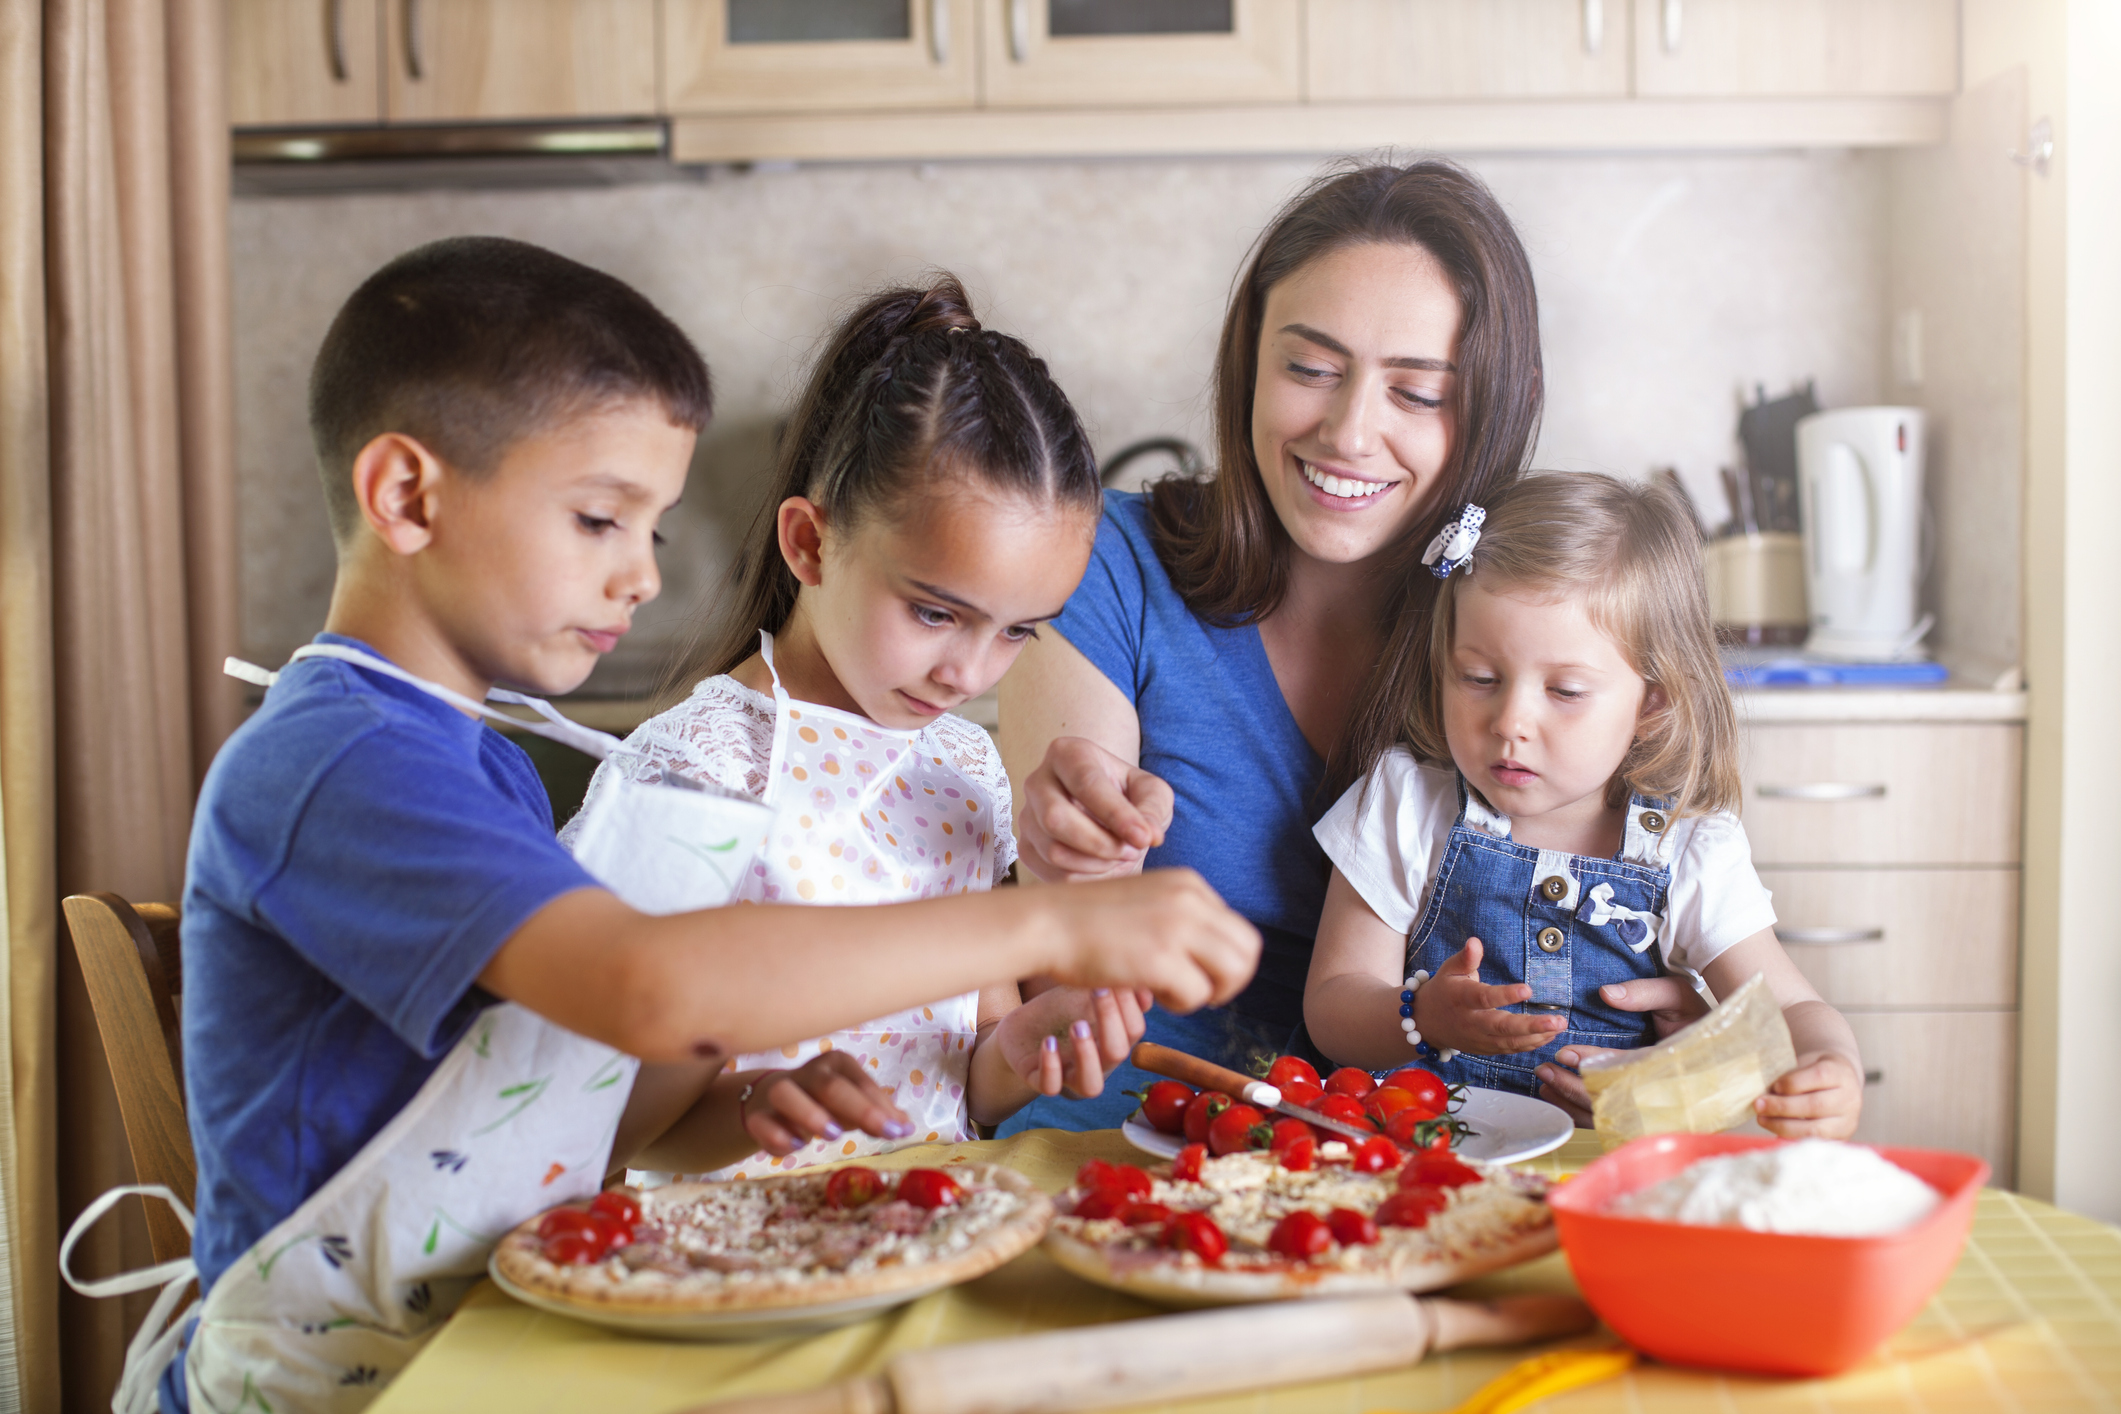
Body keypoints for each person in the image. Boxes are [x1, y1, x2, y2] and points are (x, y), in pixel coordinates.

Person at [71, 238, 1256, 1414]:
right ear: (405, 496)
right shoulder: (337, 762)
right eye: (599, 520)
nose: (643, 577)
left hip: (491, 1349)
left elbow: (566, 1111)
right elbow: (646, 989)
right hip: (340, 1385)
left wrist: (739, 1111)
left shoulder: (473, 762)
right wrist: (1049, 916)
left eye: (652, 528)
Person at [999, 157, 1665, 1133]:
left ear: (1495, 405)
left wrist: (1667, 1008)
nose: (1351, 432)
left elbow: (1640, 891)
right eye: (1309, 369)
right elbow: (1055, 979)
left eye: (1418, 392)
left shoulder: (1525, 636)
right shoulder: (1106, 561)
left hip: (1427, 1164)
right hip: (1124, 1147)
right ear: (1248, 364)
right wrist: (1063, 877)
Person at [563, 275, 1154, 1180]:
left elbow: (963, 1072)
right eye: (934, 613)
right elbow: (594, 1125)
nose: (970, 673)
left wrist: (1026, 1046)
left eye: (1018, 632)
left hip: (922, 1237)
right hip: (722, 1270)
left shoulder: (960, 769)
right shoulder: (697, 775)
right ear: (809, 543)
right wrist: (763, 1103)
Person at [1305, 473, 1864, 1137]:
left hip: (1611, 1175)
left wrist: (1832, 1065)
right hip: (1430, 1165)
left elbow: (1791, 1008)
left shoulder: (1688, 849)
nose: (1510, 721)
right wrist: (1419, 1017)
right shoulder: (1405, 805)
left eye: (1565, 691)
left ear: (1650, 703)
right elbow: (1332, 1007)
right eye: (1478, 678)